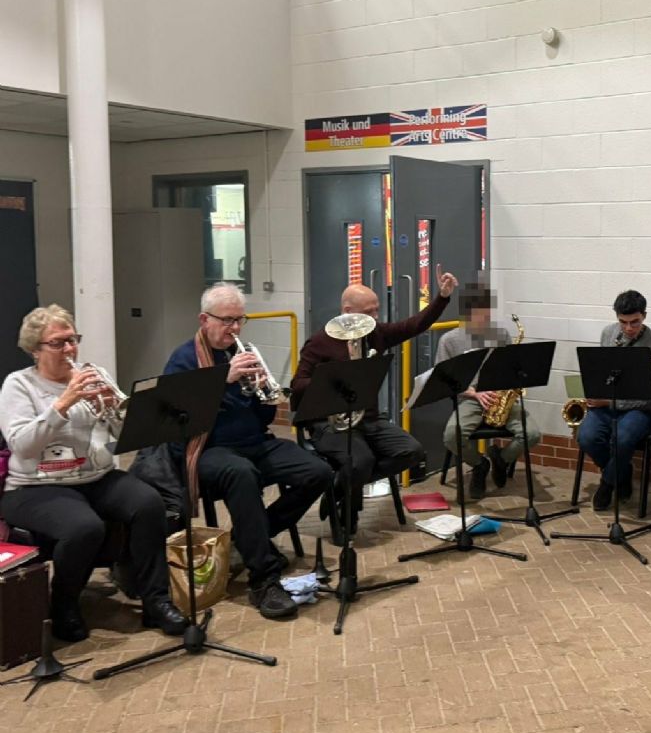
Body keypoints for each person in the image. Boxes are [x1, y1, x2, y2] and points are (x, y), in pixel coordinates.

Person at [0, 305, 187, 642]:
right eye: (57, 343)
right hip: (34, 485)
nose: (70, 349)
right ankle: (64, 605)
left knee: (149, 504)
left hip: (96, 476)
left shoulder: (93, 372)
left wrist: (113, 410)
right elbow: (22, 445)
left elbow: (122, 431)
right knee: (85, 527)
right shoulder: (19, 385)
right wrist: (63, 404)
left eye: (73, 340)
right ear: (34, 349)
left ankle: (156, 601)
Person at [165, 283, 334, 620]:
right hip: (209, 450)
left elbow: (266, 416)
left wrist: (261, 392)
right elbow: (178, 422)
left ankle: (249, 536)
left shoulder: (242, 352)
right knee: (242, 476)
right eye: (227, 321)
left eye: (241, 320)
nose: (236, 329)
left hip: (255, 442)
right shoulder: (183, 360)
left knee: (318, 472)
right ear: (204, 319)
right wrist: (221, 381)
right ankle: (264, 579)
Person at [291, 264, 459, 506]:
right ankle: (348, 506)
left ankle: (341, 486)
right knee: (360, 461)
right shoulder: (320, 342)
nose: (376, 317)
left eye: (377, 310)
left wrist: (442, 297)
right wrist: (331, 379)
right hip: (330, 422)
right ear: (348, 311)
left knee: (412, 452)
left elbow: (415, 325)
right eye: (369, 312)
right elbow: (297, 386)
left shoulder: (375, 333)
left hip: (368, 418)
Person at [433, 281, 541, 500]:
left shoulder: (500, 335)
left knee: (532, 434)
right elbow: (443, 380)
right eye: (479, 314)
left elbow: (514, 368)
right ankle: (479, 464)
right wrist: (474, 393)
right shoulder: (449, 340)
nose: (485, 319)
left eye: (487, 313)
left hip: (500, 396)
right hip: (470, 398)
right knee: (451, 436)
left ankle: (501, 458)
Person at [577, 290, 651, 512]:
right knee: (586, 437)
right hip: (606, 405)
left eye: (634, 322)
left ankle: (607, 483)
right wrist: (593, 391)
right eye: (623, 322)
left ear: (644, 316)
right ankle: (621, 474)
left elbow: (650, 398)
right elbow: (600, 372)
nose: (628, 328)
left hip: (638, 410)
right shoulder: (608, 333)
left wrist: (610, 402)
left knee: (622, 439)